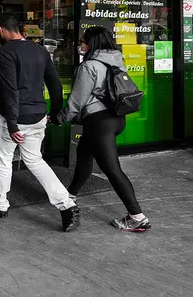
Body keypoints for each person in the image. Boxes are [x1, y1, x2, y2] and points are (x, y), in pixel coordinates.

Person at [0, 15, 80, 232]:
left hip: (13, 118)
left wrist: (12, 123)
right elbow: (54, 82)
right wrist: (55, 111)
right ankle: (66, 204)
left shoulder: (4, 52)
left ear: (1, 29)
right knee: (35, 160)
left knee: (3, 161)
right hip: (38, 115)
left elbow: (10, 89)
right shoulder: (39, 50)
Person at [55, 26, 150, 232]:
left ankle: (137, 217)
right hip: (116, 119)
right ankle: (70, 195)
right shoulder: (117, 60)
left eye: (83, 41)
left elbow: (76, 101)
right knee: (84, 154)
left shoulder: (88, 66)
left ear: (92, 44)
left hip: (100, 123)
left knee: (111, 169)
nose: (80, 45)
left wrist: (61, 118)